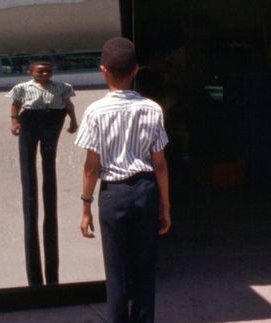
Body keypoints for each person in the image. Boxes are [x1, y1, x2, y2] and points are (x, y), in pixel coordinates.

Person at [75, 37, 171, 323]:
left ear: (103, 70)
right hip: (145, 191)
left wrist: (85, 206)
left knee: (115, 272)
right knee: (144, 269)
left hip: (112, 195)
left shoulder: (95, 111)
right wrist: (165, 206)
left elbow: (92, 167)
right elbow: (160, 164)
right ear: (136, 70)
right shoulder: (152, 109)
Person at [6, 60, 78, 286]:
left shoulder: (62, 87)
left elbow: (68, 106)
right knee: (28, 162)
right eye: (39, 71)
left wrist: (73, 121)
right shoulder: (22, 88)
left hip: (53, 120)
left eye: (47, 70)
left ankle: (48, 182)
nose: (44, 73)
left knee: (48, 159)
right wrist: (14, 122)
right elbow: (16, 106)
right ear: (30, 72)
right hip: (31, 121)